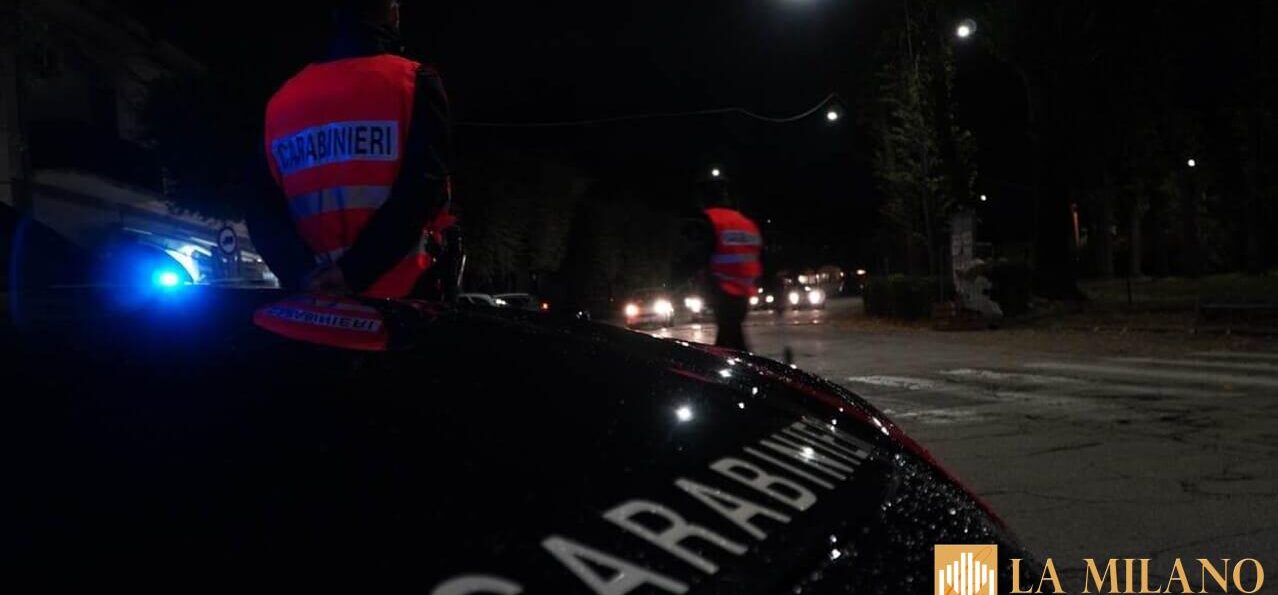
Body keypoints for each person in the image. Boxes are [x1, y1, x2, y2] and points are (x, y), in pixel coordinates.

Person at [258, 0, 457, 299]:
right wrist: (353, 273)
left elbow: (262, 209)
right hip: (399, 307)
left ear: (336, 14)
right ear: (393, 14)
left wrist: (302, 274)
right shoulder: (414, 83)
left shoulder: (281, 102)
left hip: (310, 308)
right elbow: (423, 190)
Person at [680, 182, 764, 351]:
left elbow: (699, 253)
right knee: (730, 339)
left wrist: (683, 277)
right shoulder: (746, 223)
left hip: (722, 289)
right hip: (744, 291)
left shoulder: (711, 220)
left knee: (730, 341)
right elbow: (759, 254)